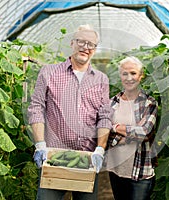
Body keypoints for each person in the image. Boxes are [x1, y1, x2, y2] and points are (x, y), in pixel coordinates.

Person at [27, 24, 112, 200]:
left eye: (91, 44)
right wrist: (40, 145)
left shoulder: (101, 79)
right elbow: (36, 107)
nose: (85, 47)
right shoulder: (49, 72)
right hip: (54, 157)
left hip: (87, 159)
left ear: (95, 50)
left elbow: (104, 117)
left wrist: (100, 149)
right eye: (81, 41)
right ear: (72, 43)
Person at [105, 56, 158, 200]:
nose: (129, 78)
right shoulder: (111, 103)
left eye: (133, 73)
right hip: (116, 170)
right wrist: (131, 132)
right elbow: (103, 132)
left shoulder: (149, 103)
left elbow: (145, 132)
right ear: (120, 76)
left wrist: (114, 127)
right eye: (124, 73)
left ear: (141, 76)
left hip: (141, 172)